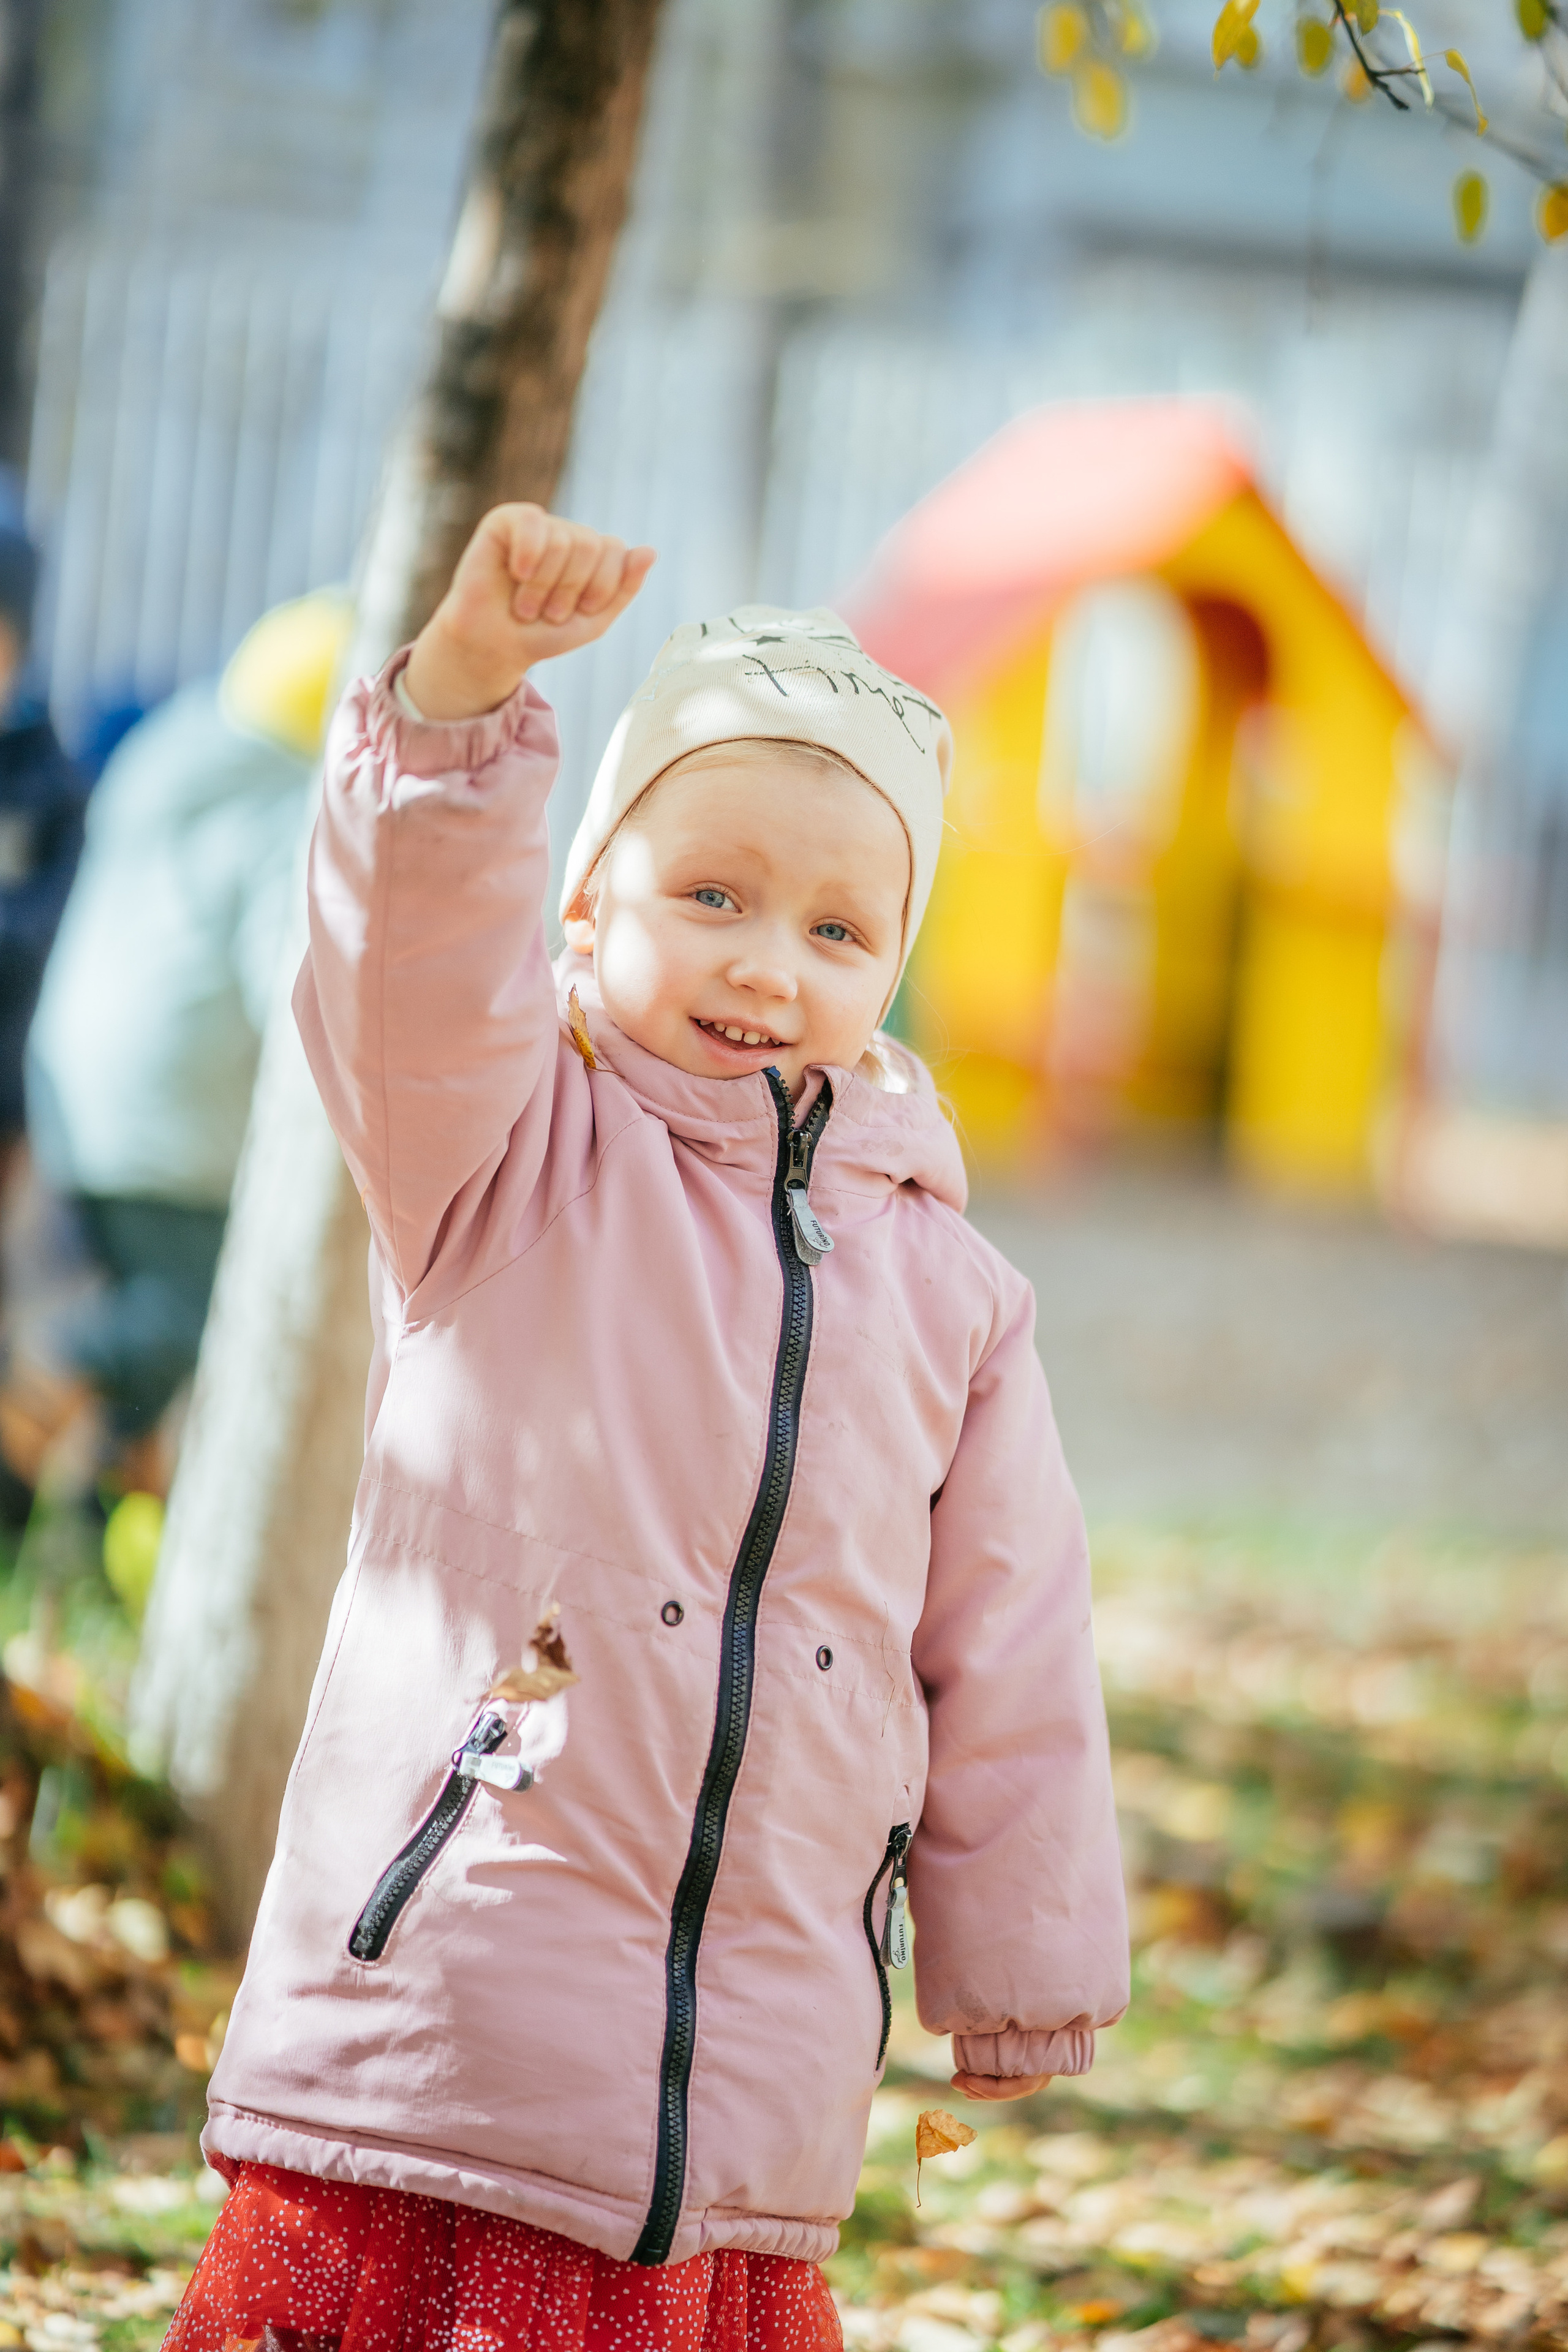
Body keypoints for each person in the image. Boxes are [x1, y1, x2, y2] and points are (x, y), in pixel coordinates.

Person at [168, 510, 1129, 2352]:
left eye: (840, 927)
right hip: (452, 2031)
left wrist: (1023, 1969)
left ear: (894, 964)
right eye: (714, 894)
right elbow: (410, 968)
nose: (770, 962)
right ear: (589, 906)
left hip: (748, 2094)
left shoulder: (953, 1293)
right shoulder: (507, 1153)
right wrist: (454, 714)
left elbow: (1006, 1641)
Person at [22, 592, 352, 1493]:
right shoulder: (292, 803)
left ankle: (77, 1520)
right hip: (177, 1123)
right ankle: (35, 1377)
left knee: (153, 1341)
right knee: (191, 1318)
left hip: (76, 1093)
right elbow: (280, 976)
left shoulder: (170, 755)